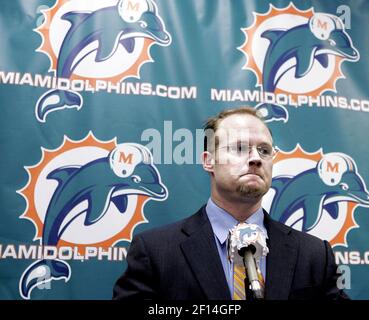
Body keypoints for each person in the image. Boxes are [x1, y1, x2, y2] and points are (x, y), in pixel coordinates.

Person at [113, 106, 349, 300]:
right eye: (239, 148)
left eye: (264, 150)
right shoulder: (155, 252)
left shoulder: (315, 254)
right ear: (208, 161)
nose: (256, 158)